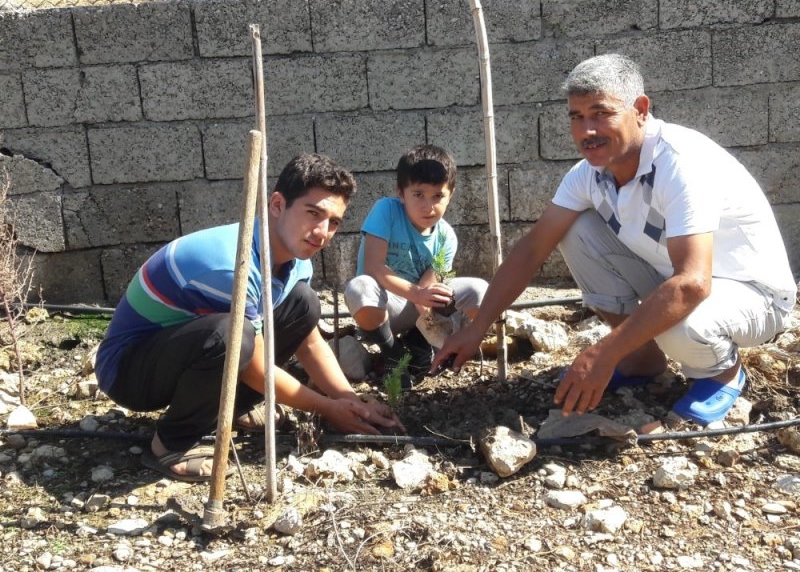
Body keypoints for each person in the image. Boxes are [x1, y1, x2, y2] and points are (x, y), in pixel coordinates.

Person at [433, 54, 796, 425]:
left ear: (640, 109)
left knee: (681, 319)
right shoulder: (589, 175)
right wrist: (477, 328)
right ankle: (642, 360)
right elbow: (531, 250)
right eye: (576, 117)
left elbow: (692, 284)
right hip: (679, 278)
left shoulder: (680, 164)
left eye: (601, 113)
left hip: (754, 295)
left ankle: (721, 373)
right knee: (575, 229)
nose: (587, 131)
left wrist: (603, 353)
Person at [95, 154, 403, 482]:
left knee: (304, 304)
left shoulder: (296, 258)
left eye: (334, 222)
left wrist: (350, 400)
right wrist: (327, 409)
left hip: (181, 352)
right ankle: (170, 445)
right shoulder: (232, 266)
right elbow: (256, 367)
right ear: (277, 204)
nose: (322, 232)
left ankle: (232, 409)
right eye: (313, 213)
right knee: (230, 336)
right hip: (130, 372)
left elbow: (309, 341)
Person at [344, 144, 488, 386]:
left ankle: (427, 345)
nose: (428, 206)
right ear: (401, 193)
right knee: (360, 287)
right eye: (418, 195)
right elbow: (374, 267)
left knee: (480, 290)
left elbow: (428, 284)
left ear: (450, 195)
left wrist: (435, 304)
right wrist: (419, 294)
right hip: (386, 306)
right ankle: (392, 353)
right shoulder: (386, 210)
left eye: (438, 196)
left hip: (419, 307)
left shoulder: (446, 236)